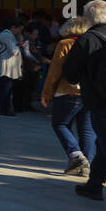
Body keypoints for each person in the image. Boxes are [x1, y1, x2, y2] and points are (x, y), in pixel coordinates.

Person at [62, 0, 106, 208]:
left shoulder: (87, 39)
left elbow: (69, 73)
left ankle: (95, 186)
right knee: (105, 144)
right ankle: (94, 185)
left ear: (88, 19)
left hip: (101, 101)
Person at [41, 16, 94, 176]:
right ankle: (86, 165)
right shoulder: (93, 42)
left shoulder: (65, 44)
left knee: (59, 124)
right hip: (90, 92)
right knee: (87, 130)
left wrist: (46, 93)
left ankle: (76, 155)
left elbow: (55, 71)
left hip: (68, 90)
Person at [0, 17, 24, 116]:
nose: (19, 32)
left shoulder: (6, 35)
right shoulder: (6, 35)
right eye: (19, 29)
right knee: (6, 89)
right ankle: (5, 109)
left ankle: (5, 108)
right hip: (7, 66)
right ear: (13, 27)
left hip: (9, 65)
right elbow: (13, 51)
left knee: (6, 88)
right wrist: (20, 43)